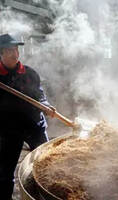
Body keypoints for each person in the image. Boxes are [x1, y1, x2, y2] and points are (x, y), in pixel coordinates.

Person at [0, 33, 55, 199]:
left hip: (34, 126)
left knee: (46, 163)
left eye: (16, 49)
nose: (15, 53)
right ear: (1, 53)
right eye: (9, 50)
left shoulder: (30, 73)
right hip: (8, 130)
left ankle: (43, 195)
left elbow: (40, 96)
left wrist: (45, 105)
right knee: (4, 173)